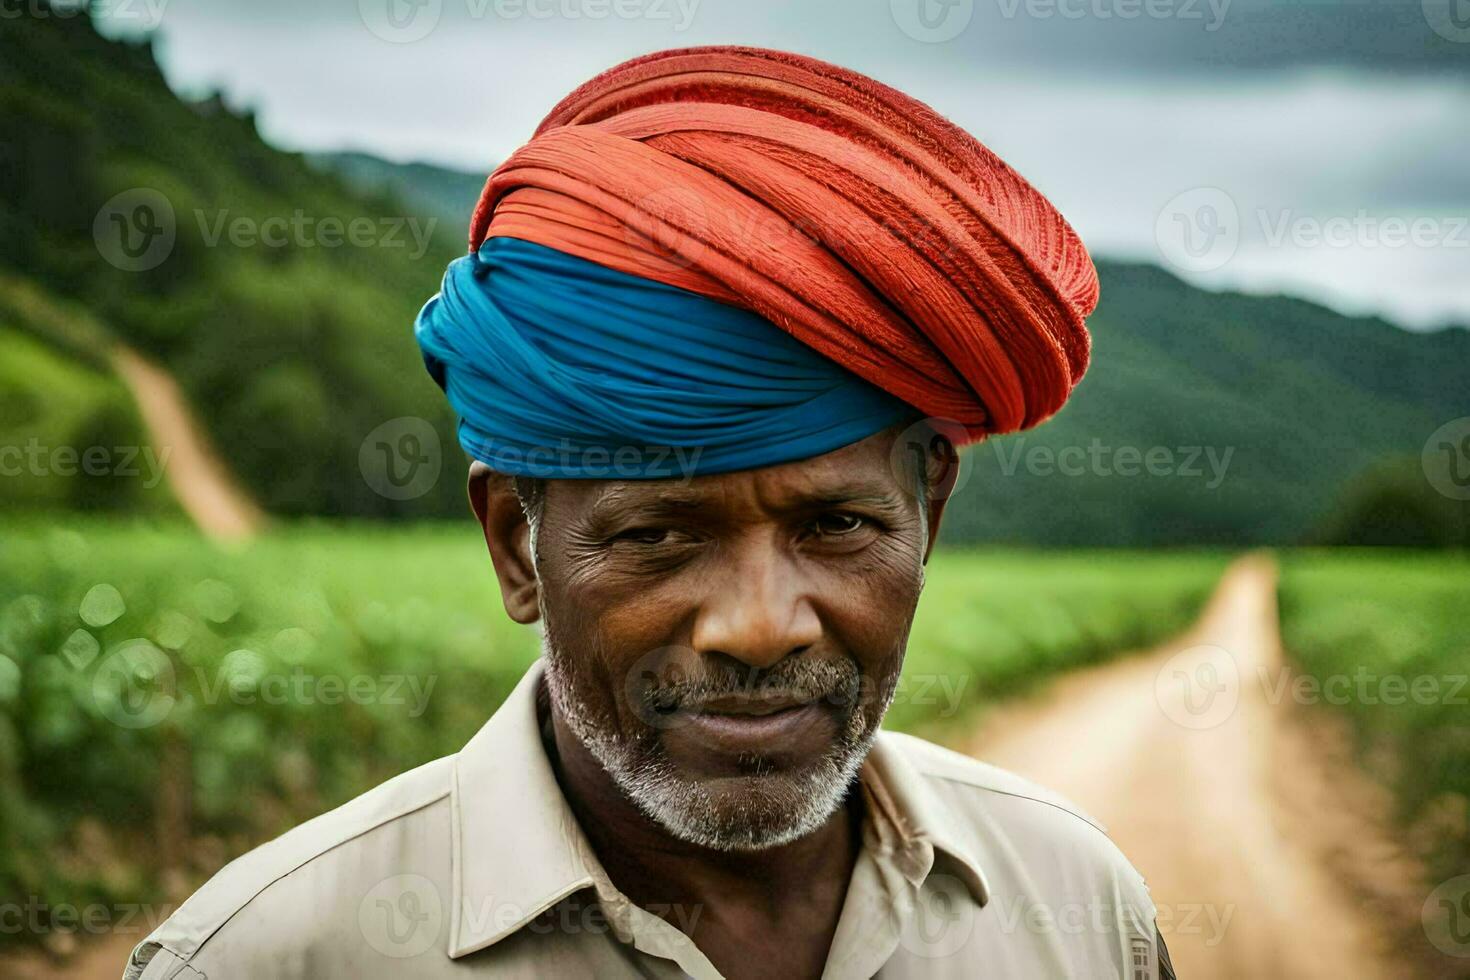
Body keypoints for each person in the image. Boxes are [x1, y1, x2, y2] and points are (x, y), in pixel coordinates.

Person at [124, 46, 1176, 979]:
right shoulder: (275, 957)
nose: (761, 627)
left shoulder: (1081, 914)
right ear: (516, 548)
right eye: (659, 535)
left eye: (837, 526)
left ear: (927, 516)